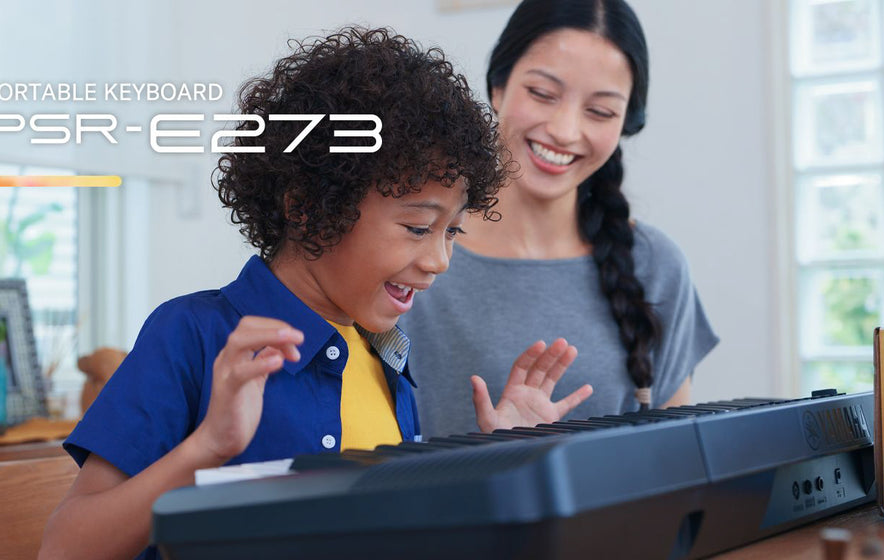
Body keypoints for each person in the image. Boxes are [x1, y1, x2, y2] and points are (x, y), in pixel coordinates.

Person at [39, 27, 592, 560]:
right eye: (419, 228)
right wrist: (206, 448)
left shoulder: (385, 353)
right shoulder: (193, 335)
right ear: (309, 209)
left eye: (452, 232)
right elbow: (65, 549)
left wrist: (502, 465)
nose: (439, 260)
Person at [402, 0, 719, 437]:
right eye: (543, 94)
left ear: (626, 122)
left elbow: (678, 463)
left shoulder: (655, 265)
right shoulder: (412, 250)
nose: (565, 130)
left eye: (600, 111)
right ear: (498, 87)